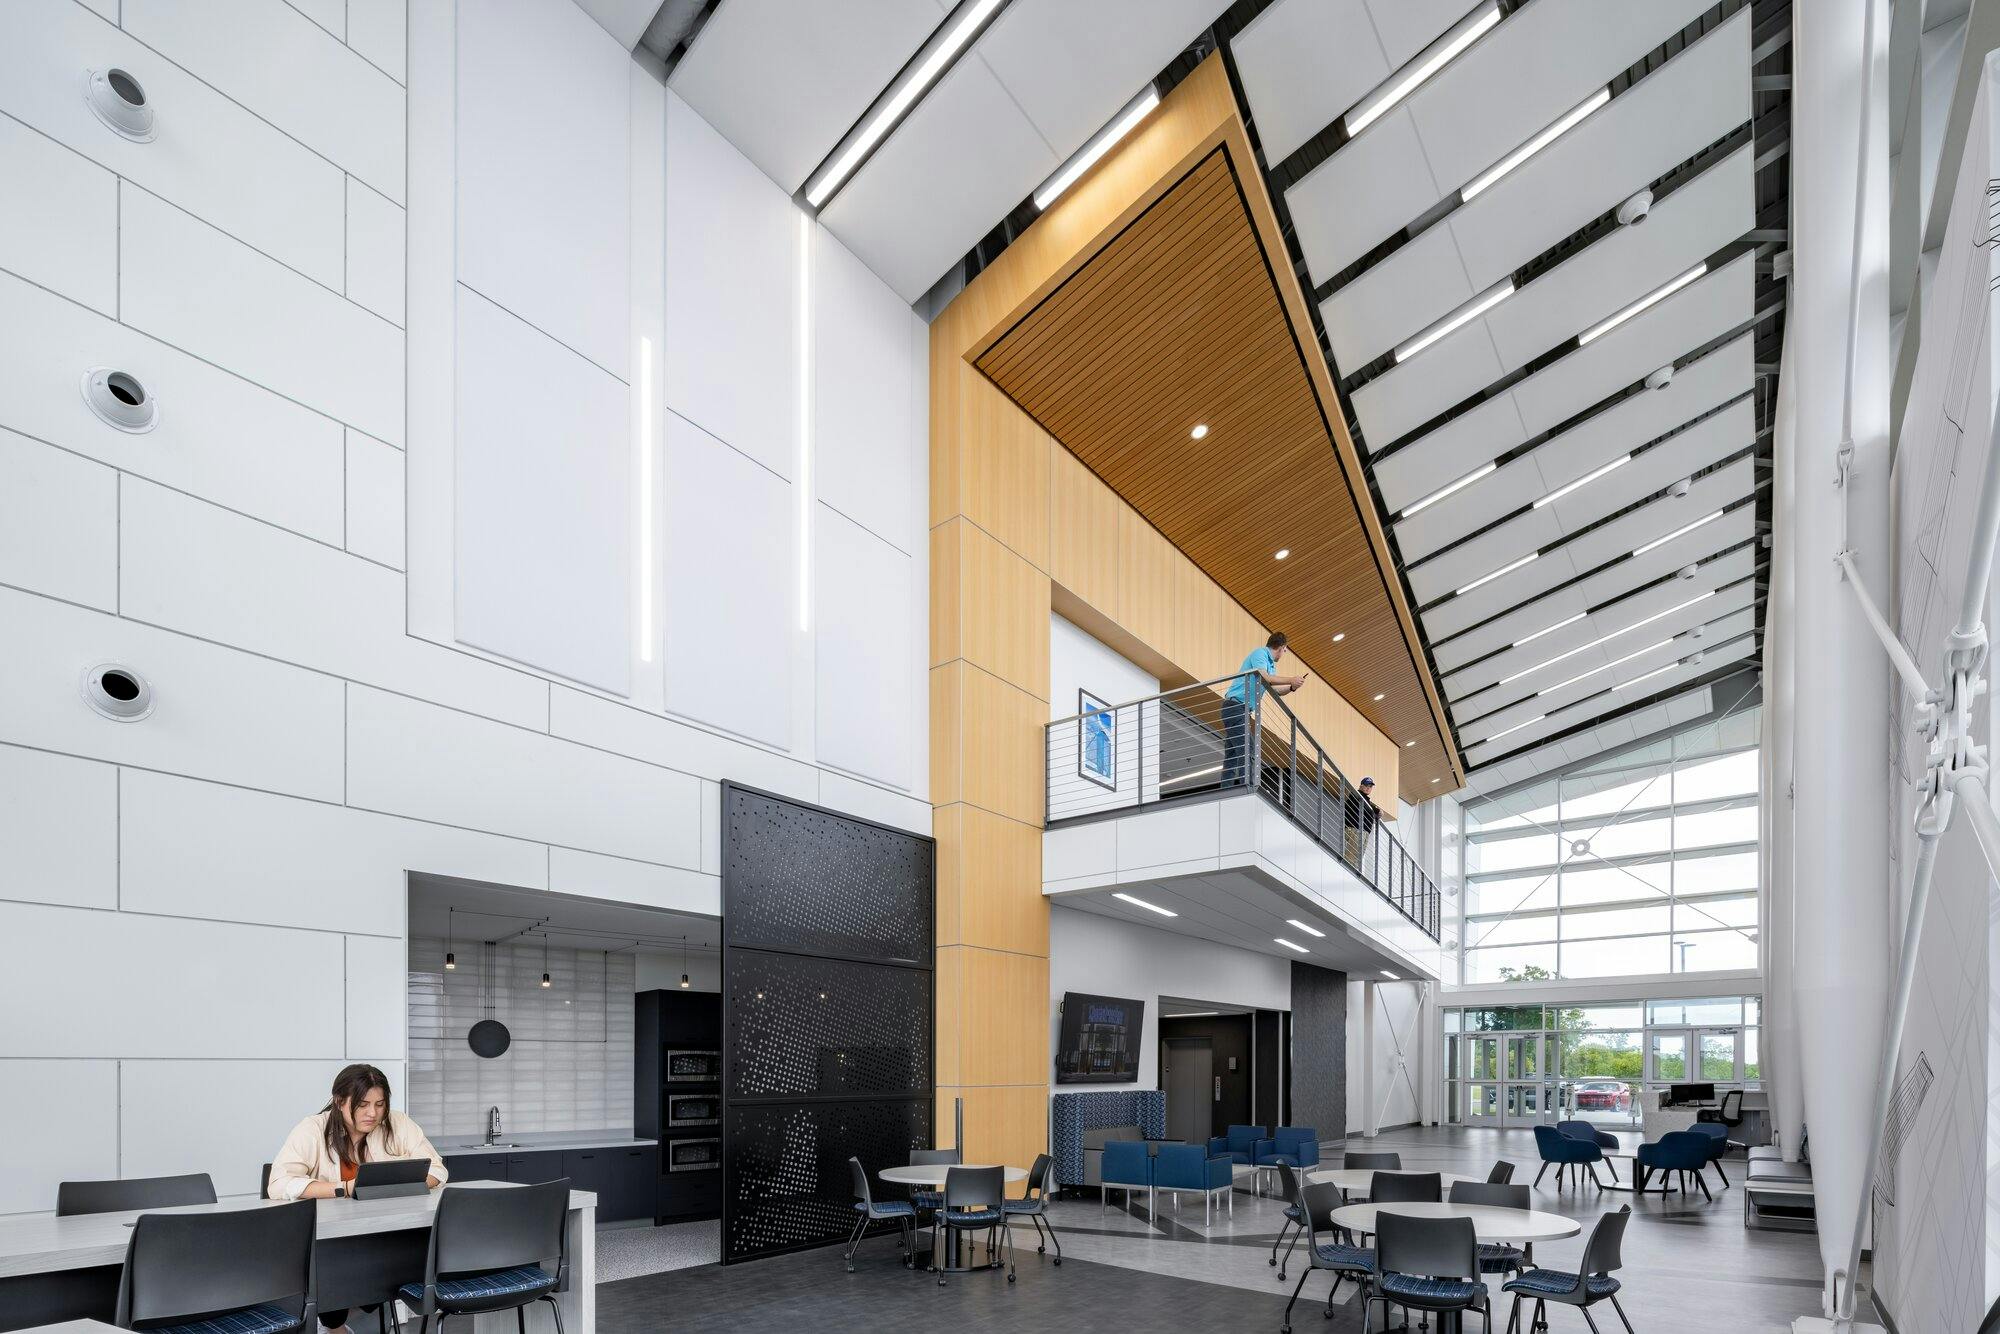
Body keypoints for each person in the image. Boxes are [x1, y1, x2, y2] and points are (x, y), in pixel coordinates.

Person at [268, 1063, 448, 1334]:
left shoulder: (397, 1123)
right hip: (329, 1241)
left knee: (406, 1262)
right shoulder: (313, 1129)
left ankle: (347, 1320)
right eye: (363, 1105)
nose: (373, 1113)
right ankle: (334, 1324)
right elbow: (279, 1183)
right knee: (343, 1281)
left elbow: (437, 1169)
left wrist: (396, 1183)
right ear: (340, 1101)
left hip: (385, 1234)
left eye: (380, 1104)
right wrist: (344, 1188)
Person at [1221, 632, 1306, 788]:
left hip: (1240, 710)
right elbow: (1266, 678)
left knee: (1233, 754)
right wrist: (1291, 679)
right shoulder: (1260, 653)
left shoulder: (1270, 665)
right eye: (1285, 649)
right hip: (1235, 707)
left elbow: (1275, 689)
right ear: (1281, 647)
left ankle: (1225, 791)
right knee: (1248, 748)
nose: (1285, 652)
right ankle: (1248, 787)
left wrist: (1292, 687)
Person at [1345, 776, 1380, 867]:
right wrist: (1376, 809)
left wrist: (1376, 810)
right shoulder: (1356, 795)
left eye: (1370, 786)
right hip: (1356, 829)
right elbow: (1365, 805)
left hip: (1363, 831)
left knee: (1357, 858)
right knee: (1351, 858)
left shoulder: (1366, 800)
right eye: (1366, 786)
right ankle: (1347, 873)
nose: (1368, 788)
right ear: (1361, 786)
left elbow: (1369, 807)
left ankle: (1352, 874)